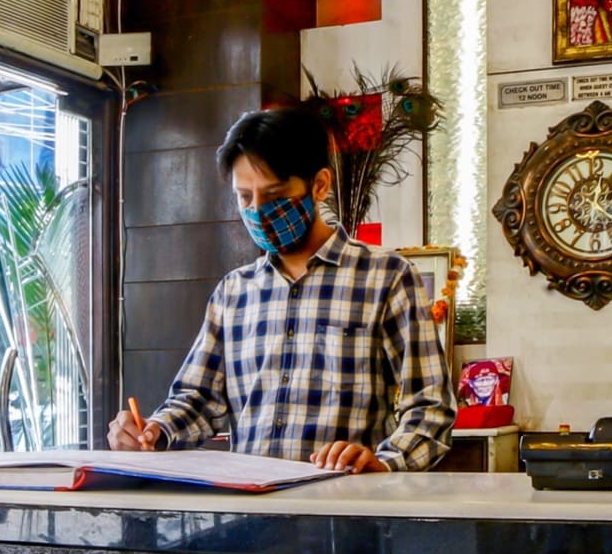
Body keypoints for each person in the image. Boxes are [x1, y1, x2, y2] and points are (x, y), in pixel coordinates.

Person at [110, 103, 452, 472]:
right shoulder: (234, 293)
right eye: (245, 197)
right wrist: (153, 431)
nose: (257, 211)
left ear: (319, 185)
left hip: (343, 500)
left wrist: (384, 464)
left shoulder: (387, 277)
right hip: (250, 502)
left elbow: (430, 406)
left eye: (274, 196)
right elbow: (197, 399)